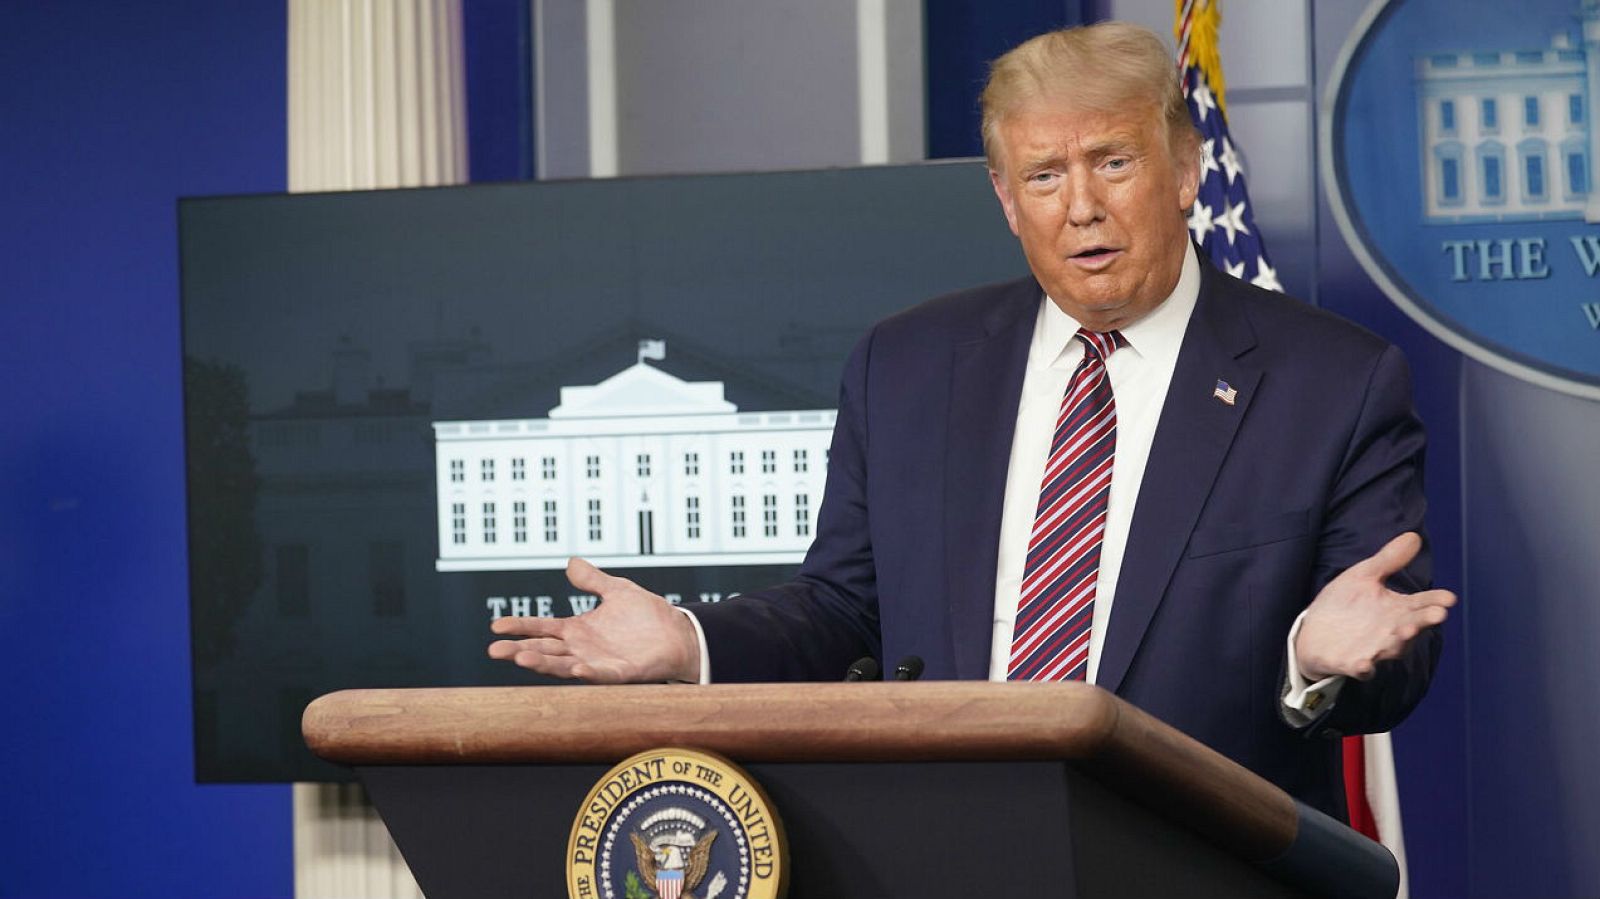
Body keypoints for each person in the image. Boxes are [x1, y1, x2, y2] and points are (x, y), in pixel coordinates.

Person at [488, 21, 1455, 821]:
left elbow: (1389, 654)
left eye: (1113, 162)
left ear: (1186, 170)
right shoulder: (908, 365)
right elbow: (841, 607)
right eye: (1043, 177)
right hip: (947, 847)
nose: (1082, 207)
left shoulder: (1333, 380)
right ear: (1004, 197)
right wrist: (690, 646)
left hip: (1194, 856)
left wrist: (1311, 659)